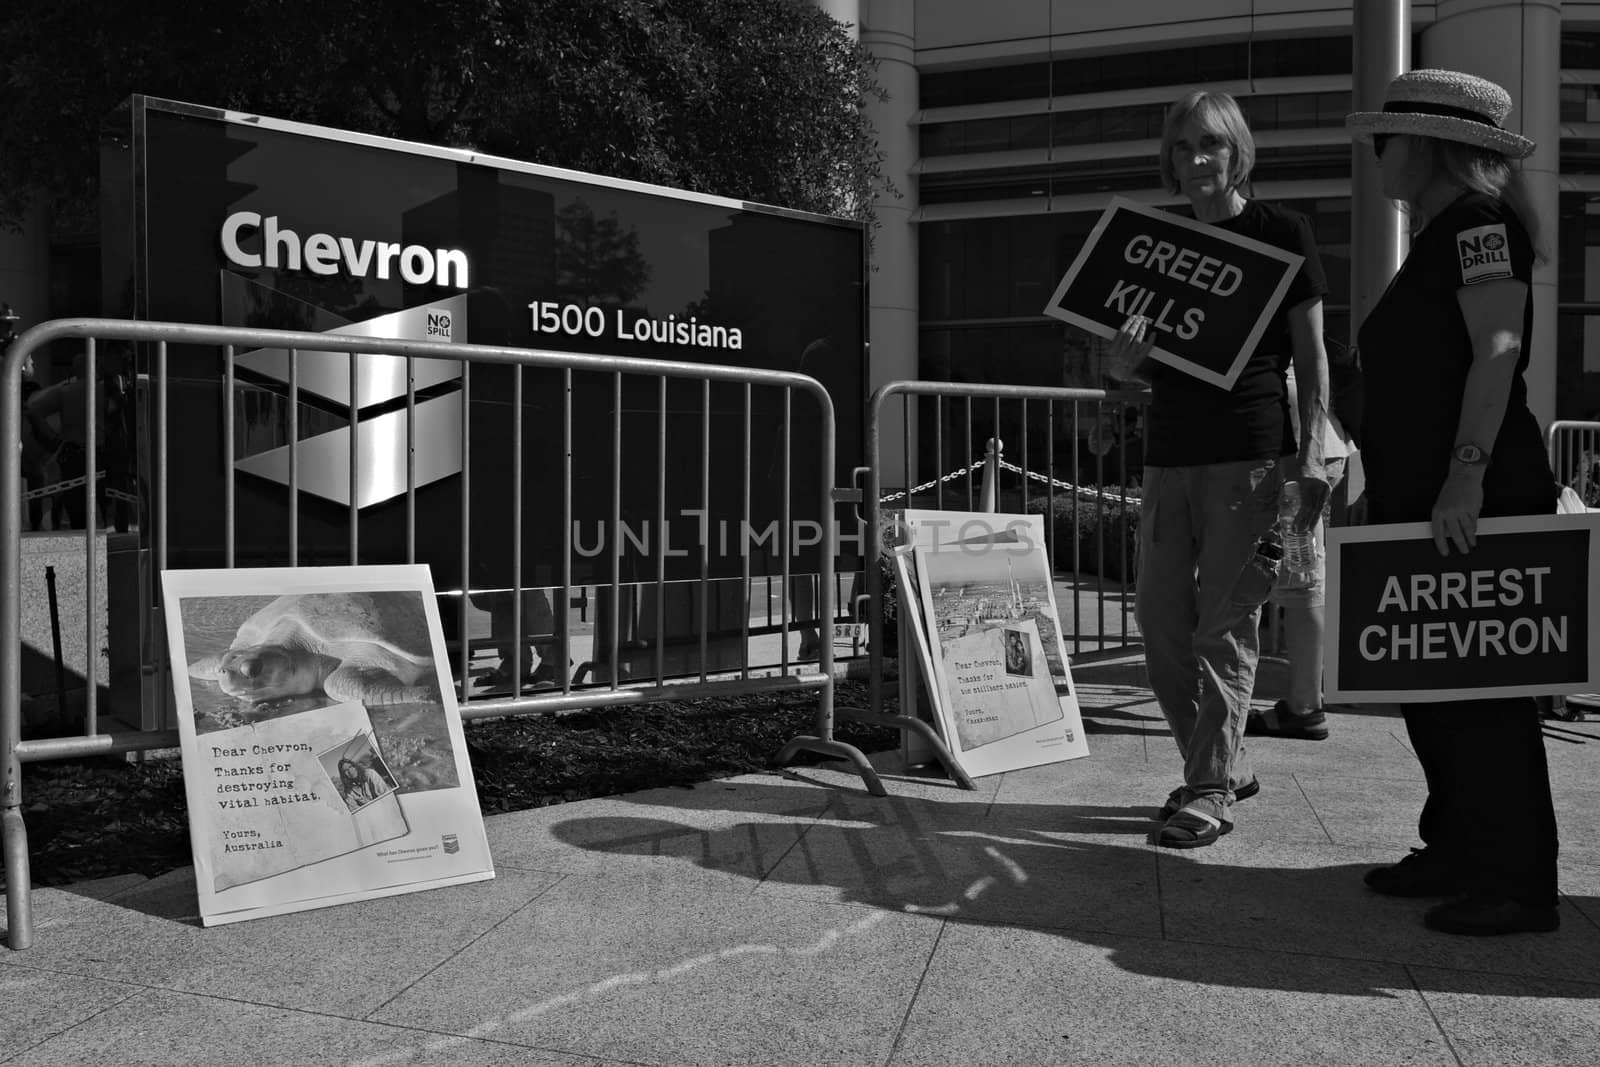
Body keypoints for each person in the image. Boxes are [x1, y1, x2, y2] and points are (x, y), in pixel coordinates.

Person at [1346, 69, 1561, 935]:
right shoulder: (1445, 232)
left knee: (1484, 696)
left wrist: (1465, 472)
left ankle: (1516, 878)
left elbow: (1498, 352)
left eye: (1383, 141)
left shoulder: (1479, 227)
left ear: (1430, 145)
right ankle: (1460, 846)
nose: (1374, 157)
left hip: (1474, 500)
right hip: (1426, 501)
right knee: (1436, 688)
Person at [1108, 89, 1332, 849]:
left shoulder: (1281, 232)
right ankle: (1220, 763)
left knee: (1225, 625)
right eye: (1181, 148)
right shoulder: (1159, 241)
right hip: (1170, 455)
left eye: (1210, 145)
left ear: (1237, 150)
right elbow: (1133, 371)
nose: (1195, 160)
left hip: (1250, 455)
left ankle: (1208, 786)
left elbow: (1311, 354)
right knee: (1160, 624)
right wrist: (1120, 366)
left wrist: (1313, 449)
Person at [1248, 369, 1355, 740]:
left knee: (1297, 576)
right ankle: (1306, 703)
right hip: (1316, 442)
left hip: (1291, 445)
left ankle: (1306, 706)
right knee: (1303, 574)